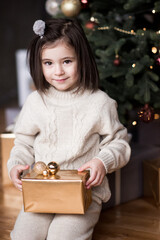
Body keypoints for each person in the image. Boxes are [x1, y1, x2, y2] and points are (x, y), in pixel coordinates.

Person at [7, 18, 131, 240]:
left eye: (66, 61)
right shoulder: (36, 101)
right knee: (23, 236)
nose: (58, 71)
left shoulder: (100, 102)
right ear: (39, 64)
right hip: (43, 190)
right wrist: (16, 165)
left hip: (83, 193)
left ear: (81, 59)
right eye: (48, 63)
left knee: (62, 236)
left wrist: (102, 161)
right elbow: (23, 143)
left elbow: (119, 142)